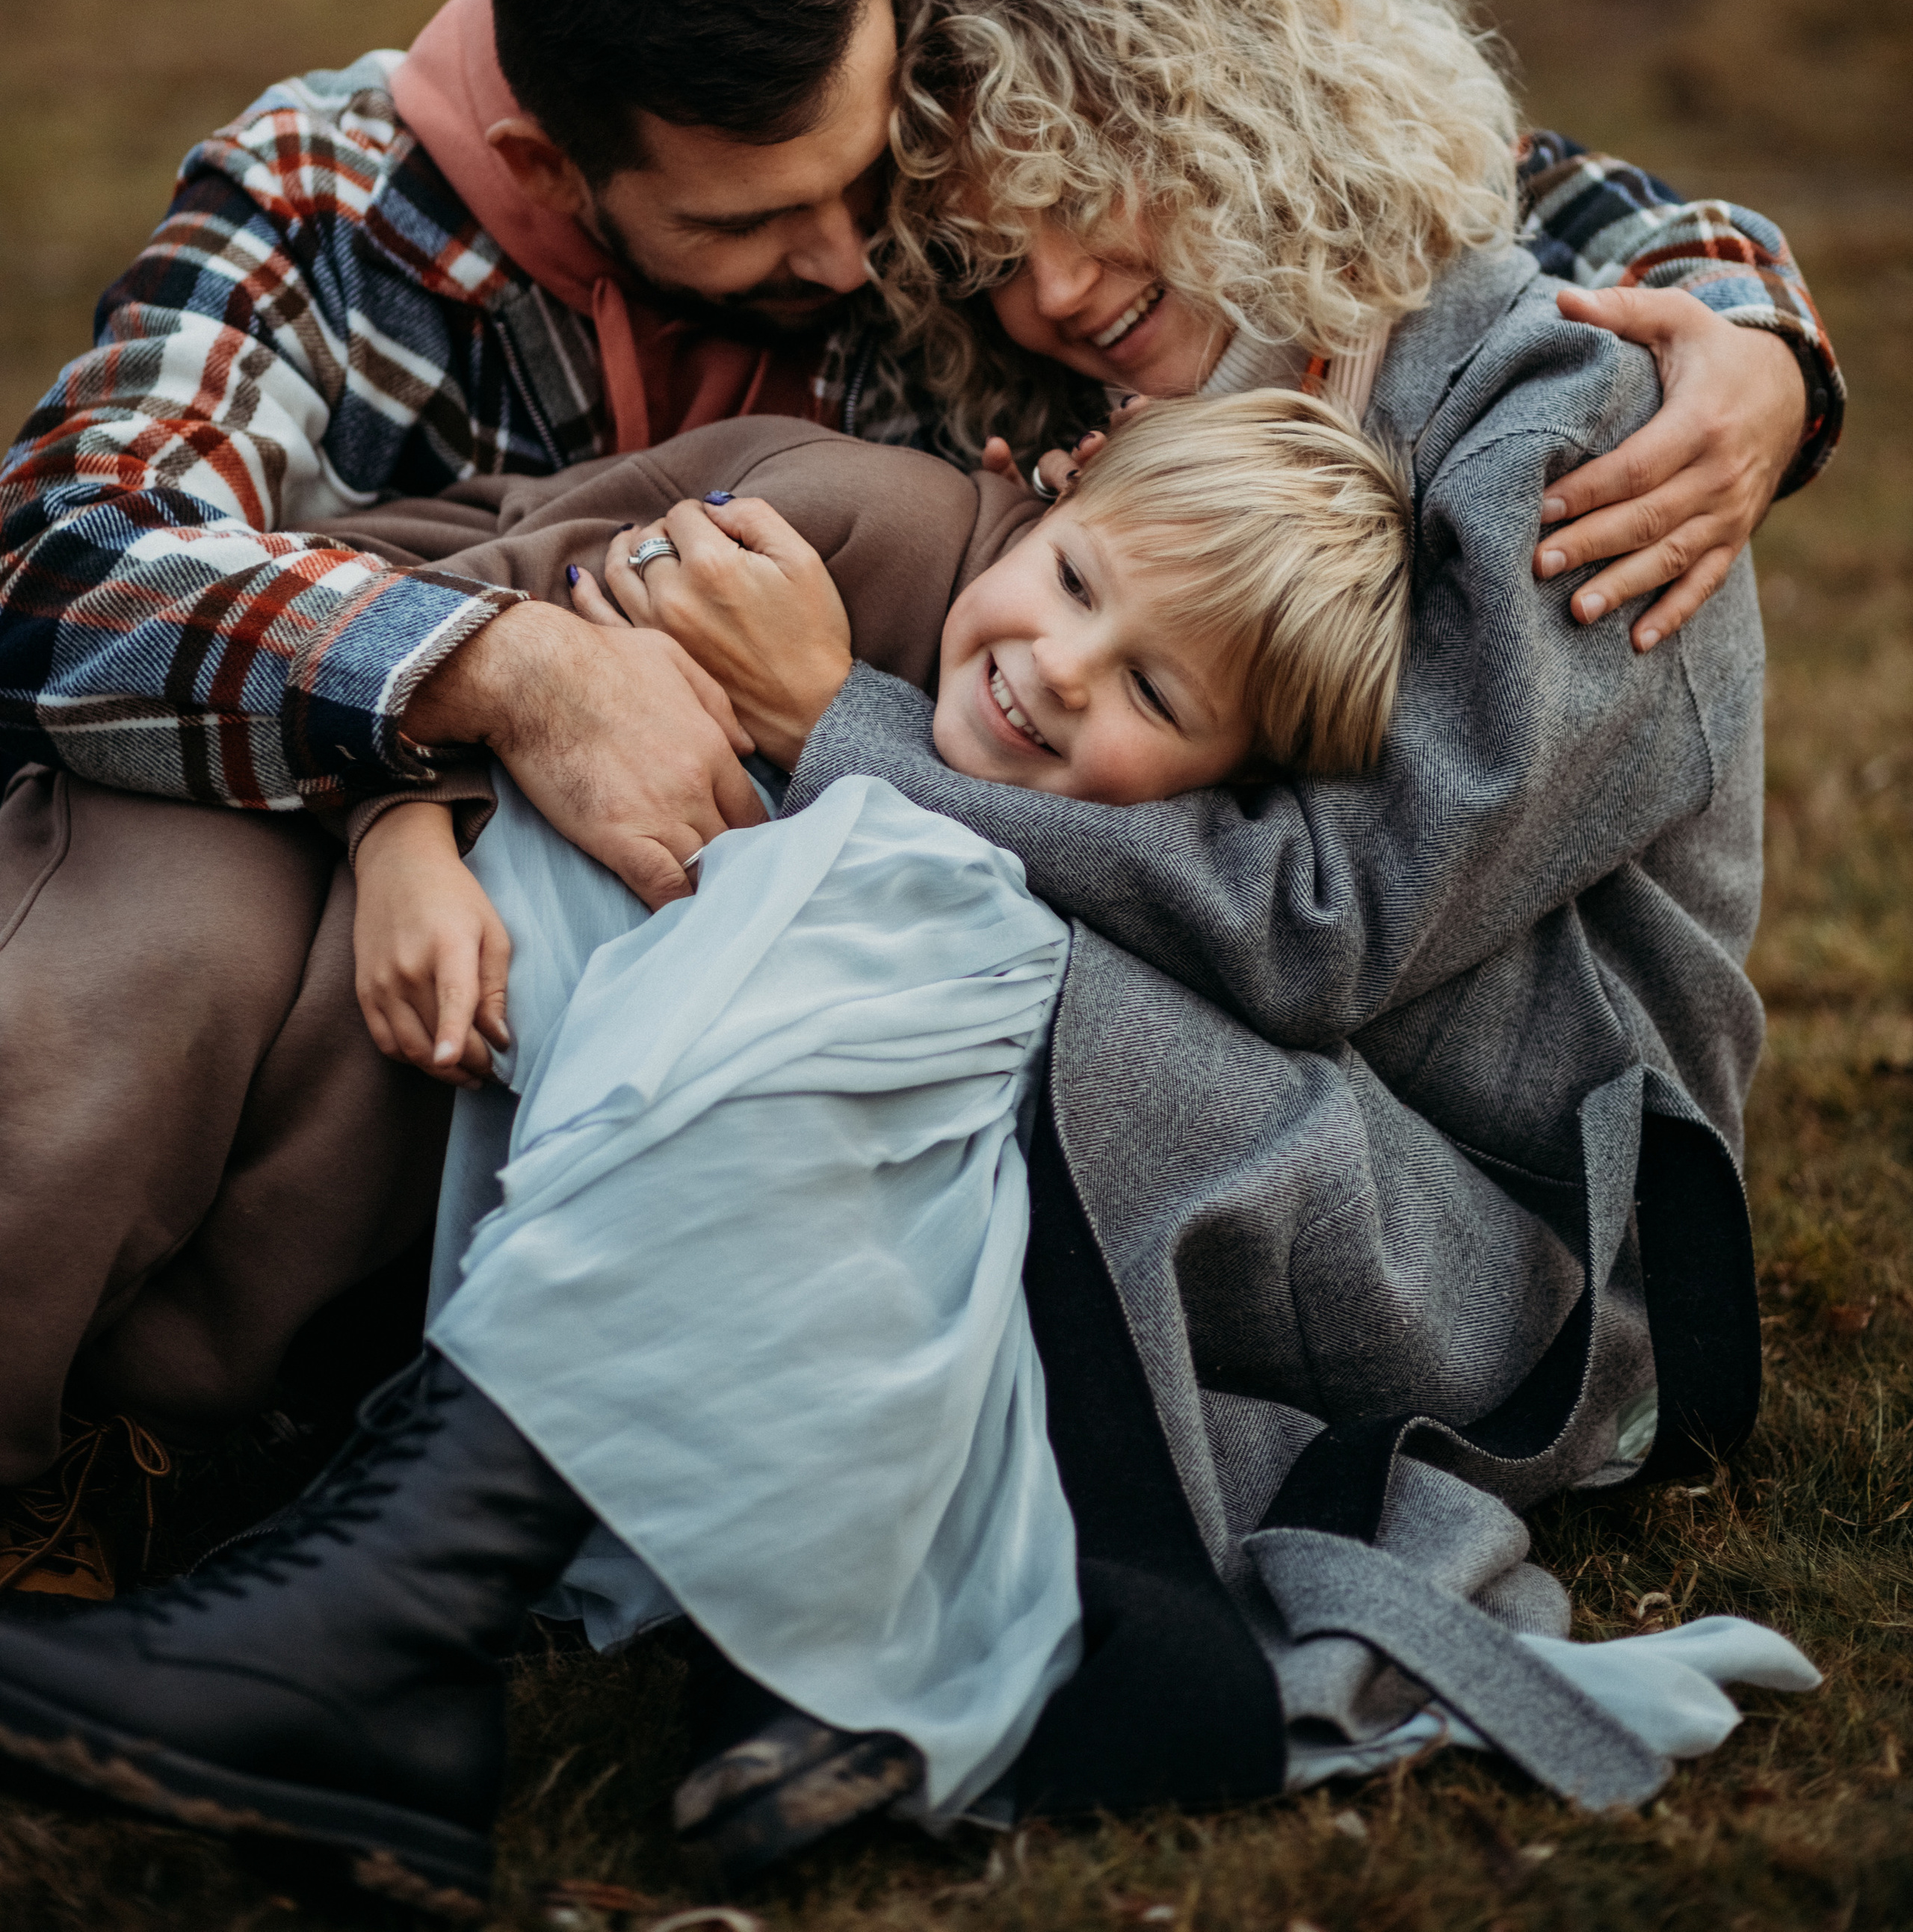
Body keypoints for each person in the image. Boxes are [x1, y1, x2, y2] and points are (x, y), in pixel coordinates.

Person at [0, 0, 1835, 1541]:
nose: (857, 264)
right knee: (191, 928)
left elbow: (1439, 174)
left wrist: (1750, 329)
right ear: (563, 163)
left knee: (867, 772)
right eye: (762, 226)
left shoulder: (1021, 198)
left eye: (875, 201)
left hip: (1382, 1121)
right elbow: (60, 554)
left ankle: (450, 1473)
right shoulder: (333, 202)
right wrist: (458, 720)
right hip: (373, 729)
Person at [0, 398, 1818, 1904]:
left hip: (1437, 1253)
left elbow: (1295, 949)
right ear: (1045, 503)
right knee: (799, 864)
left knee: (892, 871)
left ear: (1226, 794)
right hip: (458, 1054)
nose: (1050, 667)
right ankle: (498, 1593)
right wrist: (406, 805)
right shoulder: (832, 522)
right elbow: (447, 604)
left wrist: (1761, 338)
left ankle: (405, 1593)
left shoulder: (1576, 471)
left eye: (1155, 703)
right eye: (1072, 583)